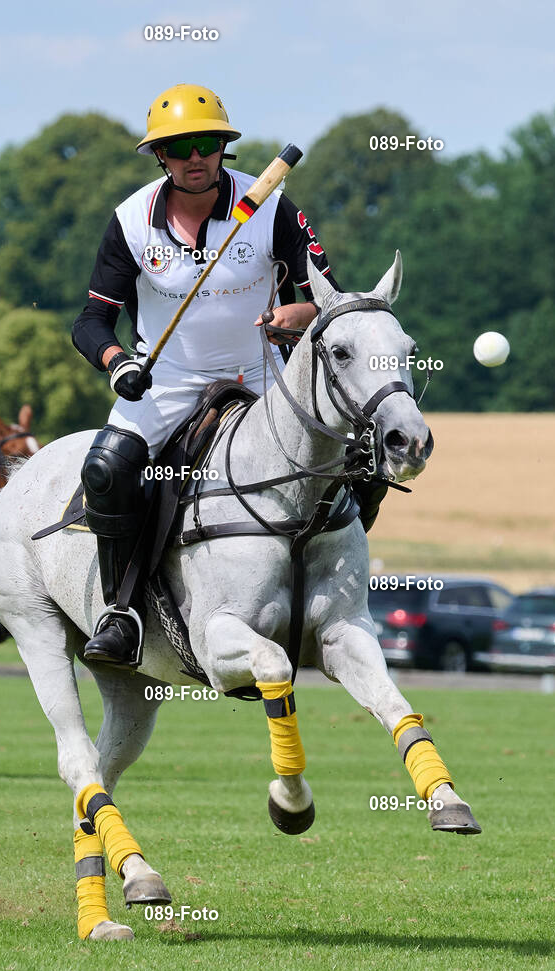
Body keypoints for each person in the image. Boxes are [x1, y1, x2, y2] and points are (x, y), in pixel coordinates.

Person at [72, 83, 385, 668]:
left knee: (361, 460)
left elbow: (330, 298)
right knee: (108, 470)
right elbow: (93, 319)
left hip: (266, 378)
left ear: (224, 149)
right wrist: (119, 365)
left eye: (208, 144)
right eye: (181, 146)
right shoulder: (130, 223)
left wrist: (304, 311)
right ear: (160, 156)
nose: (196, 157)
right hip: (167, 380)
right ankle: (121, 612)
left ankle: (334, 595)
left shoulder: (271, 207)